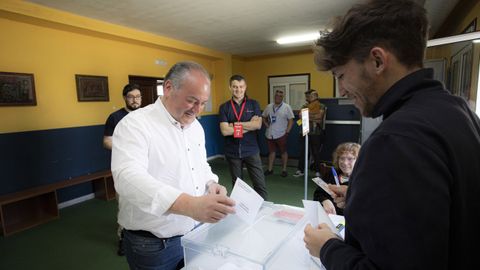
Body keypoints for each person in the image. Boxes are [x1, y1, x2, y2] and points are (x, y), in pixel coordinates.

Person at [303, 0, 480, 269]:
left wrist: (327, 247)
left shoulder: (396, 141)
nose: (341, 91)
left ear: (377, 60)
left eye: (340, 75)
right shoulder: (459, 112)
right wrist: (359, 197)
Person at [111, 61, 236, 270]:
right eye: (192, 100)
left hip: (194, 233)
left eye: (203, 103)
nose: (197, 110)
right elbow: (127, 178)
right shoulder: (135, 124)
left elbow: (200, 164)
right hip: (153, 244)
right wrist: (189, 205)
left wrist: (211, 183)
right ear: (168, 88)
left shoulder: (195, 126)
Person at [103, 83, 142, 256]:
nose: (135, 100)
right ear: (125, 98)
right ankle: (123, 240)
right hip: (124, 169)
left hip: (145, 168)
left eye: (138, 97)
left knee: (145, 202)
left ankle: (142, 236)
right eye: (131, 97)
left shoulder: (146, 115)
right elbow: (106, 141)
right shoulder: (115, 117)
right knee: (124, 205)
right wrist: (127, 147)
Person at [219, 75, 268, 200]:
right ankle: (240, 213)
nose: (238, 90)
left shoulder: (253, 104)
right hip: (232, 151)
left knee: (259, 184)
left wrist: (235, 124)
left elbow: (257, 125)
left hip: (251, 150)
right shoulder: (224, 107)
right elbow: (225, 131)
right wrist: (248, 126)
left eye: (241, 87)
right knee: (237, 186)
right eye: (235, 87)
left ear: (245, 87)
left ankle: (264, 209)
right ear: (230, 87)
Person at [313, 142, 360, 215]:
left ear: (359, 161)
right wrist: (325, 200)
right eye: (342, 158)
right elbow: (318, 194)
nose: (345, 162)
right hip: (330, 217)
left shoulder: (362, 180)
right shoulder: (331, 175)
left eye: (350, 159)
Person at [293, 89, 326, 178]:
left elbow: (319, 117)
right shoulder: (305, 105)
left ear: (316, 96)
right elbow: (301, 116)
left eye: (310, 96)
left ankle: (317, 171)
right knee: (304, 151)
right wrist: (313, 116)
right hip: (305, 131)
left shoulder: (321, 105)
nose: (308, 98)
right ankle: (301, 170)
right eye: (307, 96)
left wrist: (307, 116)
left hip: (316, 132)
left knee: (316, 152)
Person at [262, 89, 294, 177]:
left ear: (282, 97)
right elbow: (263, 117)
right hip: (269, 133)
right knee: (271, 152)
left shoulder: (287, 107)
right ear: (274, 96)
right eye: (277, 95)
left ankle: (284, 170)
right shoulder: (269, 106)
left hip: (281, 134)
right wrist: (266, 124)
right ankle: (270, 169)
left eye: (280, 96)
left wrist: (287, 132)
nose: (278, 97)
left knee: (283, 152)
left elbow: (291, 120)